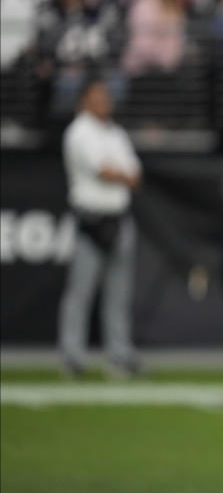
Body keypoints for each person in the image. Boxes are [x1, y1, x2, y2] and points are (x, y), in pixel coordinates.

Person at [59, 79, 141, 377]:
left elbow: (135, 174)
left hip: (119, 217)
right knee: (81, 291)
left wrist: (118, 172)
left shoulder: (116, 133)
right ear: (84, 100)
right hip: (91, 219)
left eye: (106, 95)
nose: (104, 100)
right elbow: (104, 171)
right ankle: (72, 357)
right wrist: (119, 172)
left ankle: (119, 355)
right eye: (97, 96)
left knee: (118, 294)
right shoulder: (78, 132)